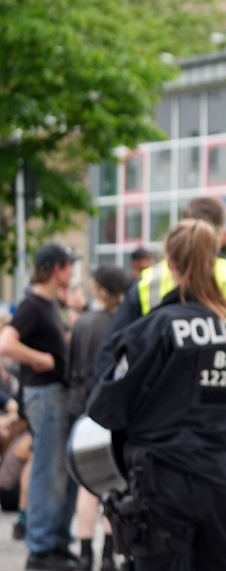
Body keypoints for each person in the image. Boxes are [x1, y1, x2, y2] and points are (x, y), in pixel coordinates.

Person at [88, 220, 226, 570]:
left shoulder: (155, 327)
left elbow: (107, 405)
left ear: (170, 264)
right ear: (214, 258)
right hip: (221, 475)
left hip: (163, 479)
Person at [0, 242, 83, 570]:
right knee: (48, 471)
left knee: (57, 471)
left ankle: (55, 542)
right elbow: (5, 343)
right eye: (67, 265)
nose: (71, 271)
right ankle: (42, 547)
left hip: (52, 395)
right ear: (54, 268)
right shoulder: (34, 304)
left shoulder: (47, 303)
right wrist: (42, 359)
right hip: (45, 396)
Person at [66, 265, 130, 571]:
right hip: (115, 409)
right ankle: (107, 555)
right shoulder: (126, 322)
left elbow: (71, 367)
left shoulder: (83, 322)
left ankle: (83, 553)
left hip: (83, 408)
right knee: (114, 482)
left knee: (87, 484)